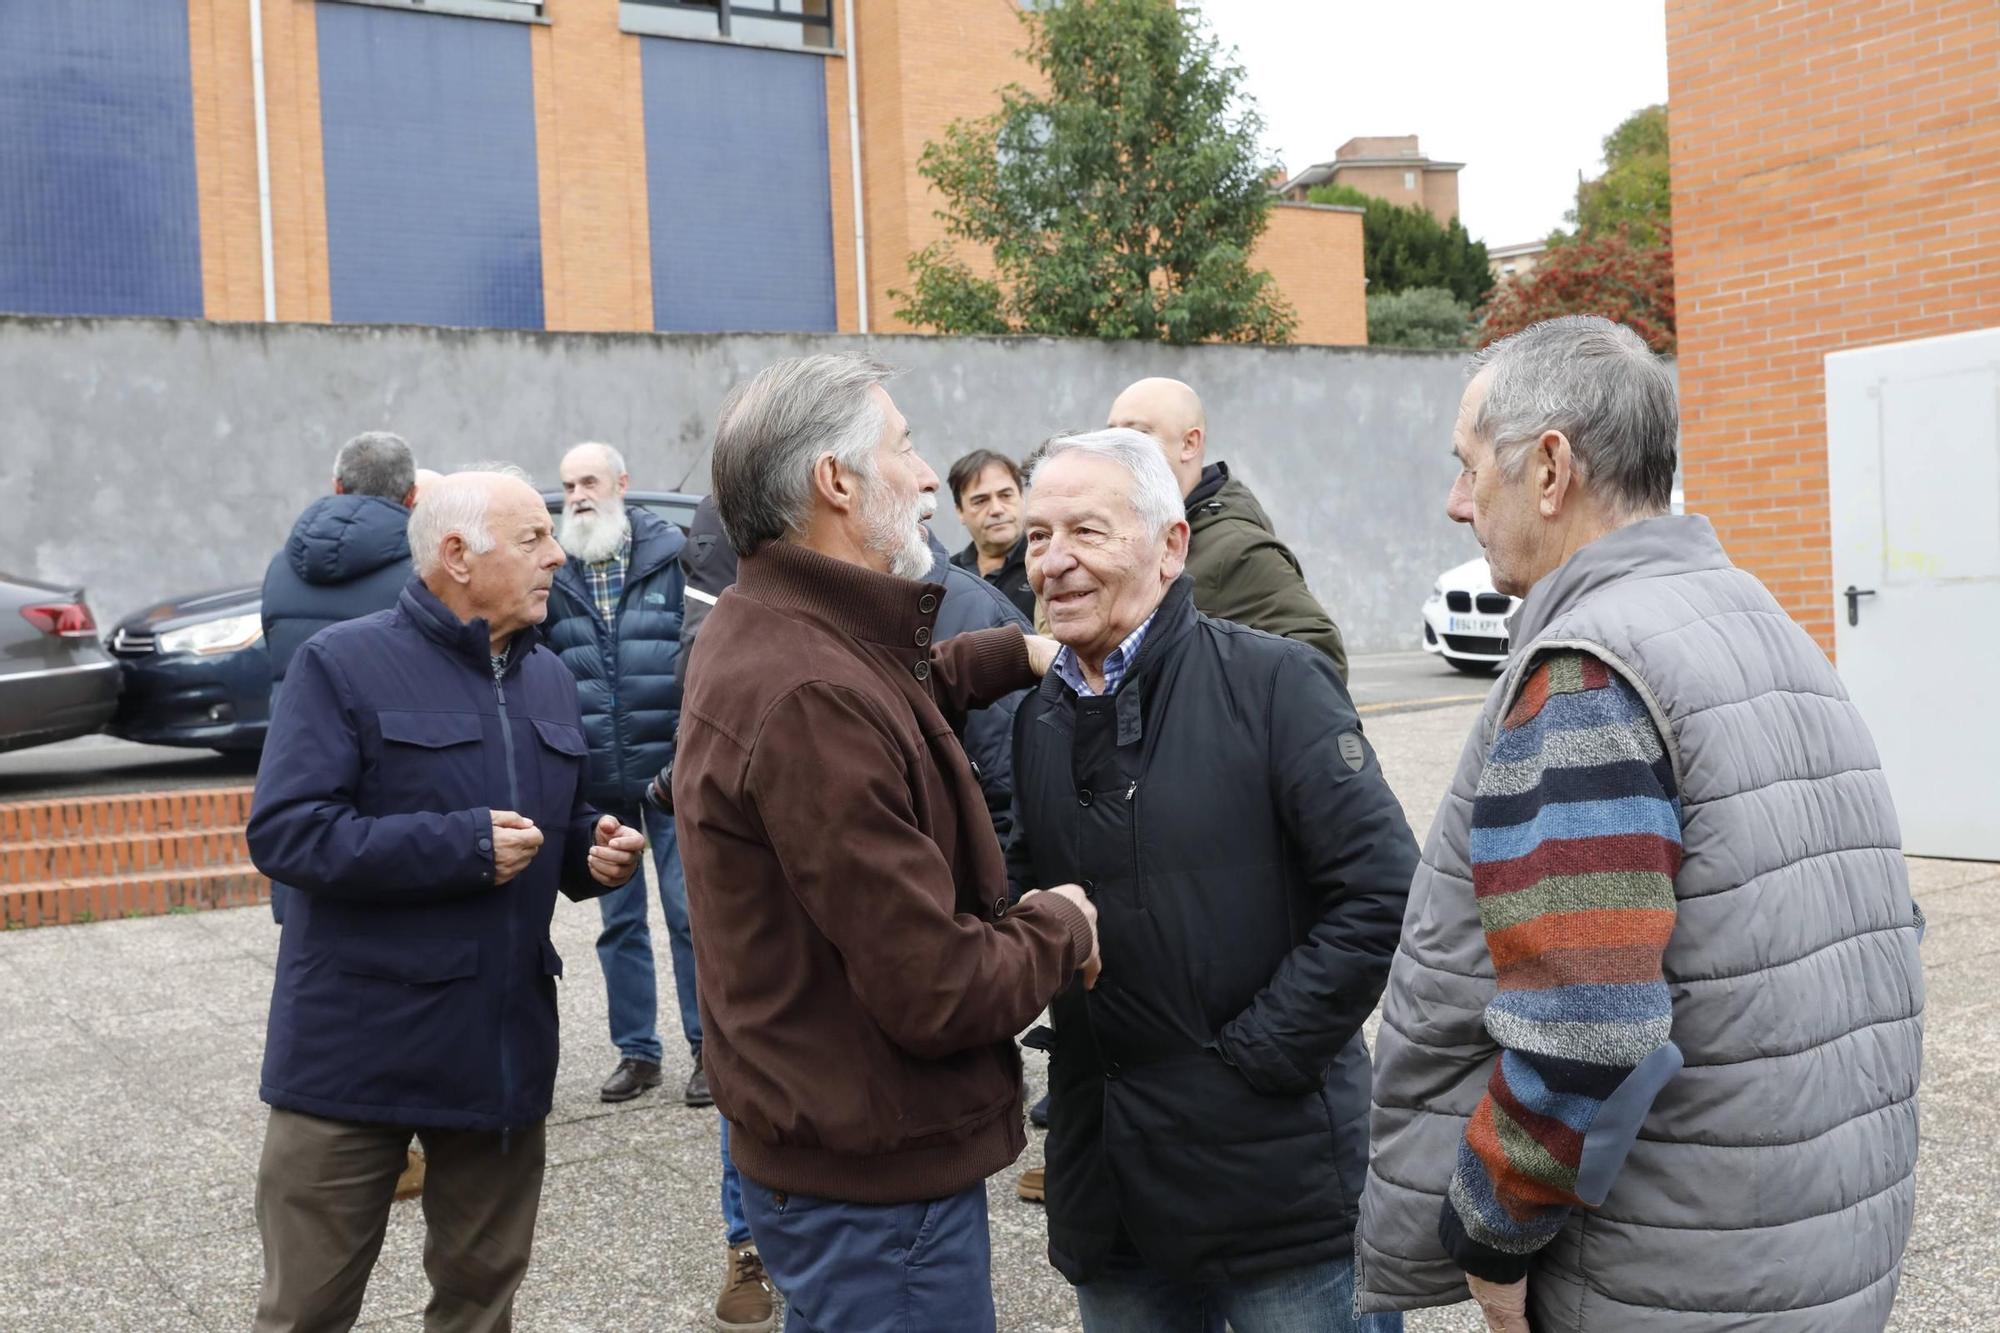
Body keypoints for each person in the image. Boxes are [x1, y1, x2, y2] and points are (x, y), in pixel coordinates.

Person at [1354, 317, 1925, 1332]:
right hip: (1806, 1240)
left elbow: (1585, 1026)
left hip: (1674, 1273)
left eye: (1465, 466)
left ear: (1547, 468)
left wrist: (1487, 1232)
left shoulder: (1588, 670)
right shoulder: (1754, 618)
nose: (1455, 503)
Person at [673, 353, 1102, 1332]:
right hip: (873, 1191)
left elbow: (879, 713)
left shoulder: (780, 632)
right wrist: (1059, 923)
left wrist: (1011, 653)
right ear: (834, 480)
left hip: (833, 1158)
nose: (923, 477)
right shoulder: (805, 690)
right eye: (903, 448)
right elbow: (935, 985)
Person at [1008, 429, 1416, 1332]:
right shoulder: (1035, 717)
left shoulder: (1275, 684)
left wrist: (1254, 1058)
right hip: (1112, 1200)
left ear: (1171, 544)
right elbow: (1024, 900)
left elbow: (1383, 893)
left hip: (1280, 1197)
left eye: (1087, 531)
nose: (1055, 562)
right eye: (1038, 537)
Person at [245, 467, 646, 1333]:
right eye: (534, 538)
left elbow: (555, 818)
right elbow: (286, 833)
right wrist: (456, 846)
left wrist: (592, 851)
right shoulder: (342, 663)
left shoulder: (546, 677)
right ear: (457, 555)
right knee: (304, 1311)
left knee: (480, 1305)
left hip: (496, 1047)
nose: (556, 555)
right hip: (355, 1053)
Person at [541, 442, 708, 1109]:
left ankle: (709, 1050)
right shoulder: (557, 572)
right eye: (567, 484)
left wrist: (686, 750)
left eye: (588, 481)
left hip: (669, 770)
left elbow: (698, 656)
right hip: (598, 778)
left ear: (621, 482)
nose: (577, 494)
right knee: (618, 923)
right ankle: (637, 1053)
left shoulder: (671, 555)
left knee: (689, 912)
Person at [261, 432, 419, 929]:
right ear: (412, 495)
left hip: (299, 770)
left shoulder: (281, 567)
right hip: (393, 791)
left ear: (336, 485)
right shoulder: (425, 568)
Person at [1107, 377, 1347, 680]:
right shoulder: (1141, 532)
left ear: (1189, 443)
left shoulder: (1236, 549)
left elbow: (1320, 658)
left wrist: (1198, 704)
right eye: (1110, 433)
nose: (1115, 448)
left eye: (1137, 433)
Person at [947, 448, 1036, 620]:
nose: (996, 510)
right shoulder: (948, 576)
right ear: (960, 511)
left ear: (1022, 498)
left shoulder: (1045, 565)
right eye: (980, 501)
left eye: (1005, 495)